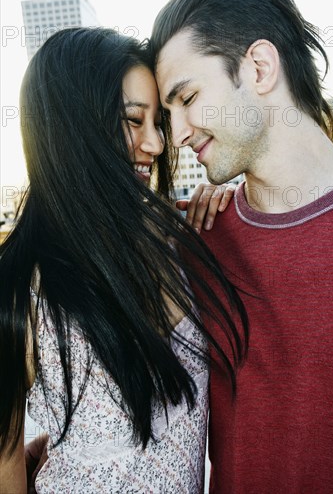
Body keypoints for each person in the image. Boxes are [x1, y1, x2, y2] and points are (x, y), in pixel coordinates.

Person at [0, 27, 249, 493]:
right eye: (135, 121)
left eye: (158, 123)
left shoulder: (178, 241)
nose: (157, 145)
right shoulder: (21, 288)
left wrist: (231, 198)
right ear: (72, 128)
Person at [150, 0, 333, 493]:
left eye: (188, 97)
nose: (175, 135)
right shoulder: (194, 236)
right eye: (166, 113)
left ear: (260, 68)